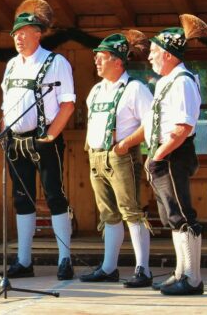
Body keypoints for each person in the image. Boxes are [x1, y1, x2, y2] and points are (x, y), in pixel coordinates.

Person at [1, 0, 76, 280]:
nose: (18, 38)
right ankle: (23, 260)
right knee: (22, 199)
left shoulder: (56, 62)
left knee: (55, 195)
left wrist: (51, 135)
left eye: (23, 33)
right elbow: (5, 103)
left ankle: (64, 259)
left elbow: (68, 103)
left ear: (37, 33)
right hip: (15, 140)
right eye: (15, 34)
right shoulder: (10, 65)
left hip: (44, 139)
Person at [140, 14, 207, 296]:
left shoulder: (181, 81)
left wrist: (158, 156)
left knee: (182, 214)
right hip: (164, 154)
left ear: (168, 54)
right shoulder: (166, 81)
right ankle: (181, 272)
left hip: (173, 154)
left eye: (154, 52)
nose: (149, 58)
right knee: (171, 214)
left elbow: (182, 127)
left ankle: (192, 278)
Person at [79, 32, 154, 288]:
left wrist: (125, 145)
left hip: (121, 157)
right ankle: (109, 267)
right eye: (97, 57)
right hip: (97, 157)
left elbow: (150, 123)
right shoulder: (96, 90)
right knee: (108, 214)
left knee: (131, 211)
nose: (97, 62)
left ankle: (142, 269)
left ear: (118, 61)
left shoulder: (135, 89)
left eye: (102, 58)